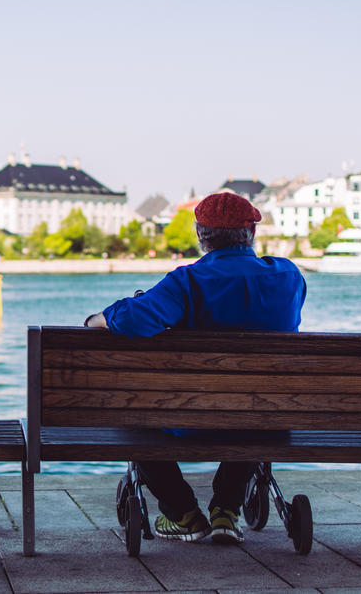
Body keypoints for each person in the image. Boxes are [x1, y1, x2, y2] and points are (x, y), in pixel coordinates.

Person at [84, 192, 306, 544]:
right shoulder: (288, 276)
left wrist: (98, 318)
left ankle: (183, 514)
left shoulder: (186, 282)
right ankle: (226, 511)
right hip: (267, 417)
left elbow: (132, 320)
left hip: (191, 418)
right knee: (255, 409)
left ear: (201, 235)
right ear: (250, 233)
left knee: (134, 418)